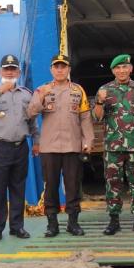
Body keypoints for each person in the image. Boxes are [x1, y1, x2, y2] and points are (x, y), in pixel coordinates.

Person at [27, 54, 94, 238]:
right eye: (56, 67)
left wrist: (88, 140)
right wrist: (41, 96)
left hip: (73, 146)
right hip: (49, 147)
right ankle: (52, 225)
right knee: (50, 186)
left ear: (69, 70)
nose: (59, 70)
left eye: (63, 66)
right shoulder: (42, 89)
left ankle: (73, 223)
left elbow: (85, 118)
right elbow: (31, 112)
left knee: (73, 185)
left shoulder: (78, 90)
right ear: (51, 70)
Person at [0, 54, 39, 241]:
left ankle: (17, 227)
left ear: (18, 72)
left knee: (18, 188)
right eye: (6, 69)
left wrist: (36, 141)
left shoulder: (26, 93)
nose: (10, 72)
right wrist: (0, 91)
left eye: (13, 69)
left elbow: (32, 119)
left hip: (20, 147)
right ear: (0, 72)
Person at [93, 54, 134, 236]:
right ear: (113, 71)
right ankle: (114, 221)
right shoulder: (104, 90)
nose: (121, 71)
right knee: (113, 184)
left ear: (130, 69)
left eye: (124, 67)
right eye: (118, 68)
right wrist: (99, 101)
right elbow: (97, 117)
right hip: (113, 147)